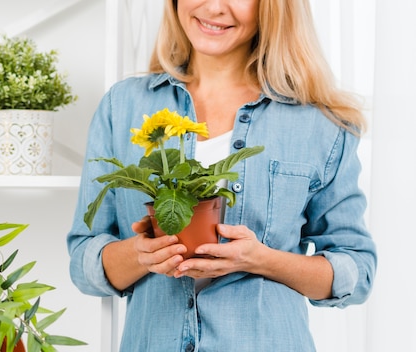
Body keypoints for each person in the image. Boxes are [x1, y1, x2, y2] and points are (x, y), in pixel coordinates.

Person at [67, 0, 377, 351]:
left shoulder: (320, 123)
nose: (214, 7)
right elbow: (83, 262)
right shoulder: (122, 106)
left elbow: (357, 271)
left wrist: (260, 259)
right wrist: (141, 254)